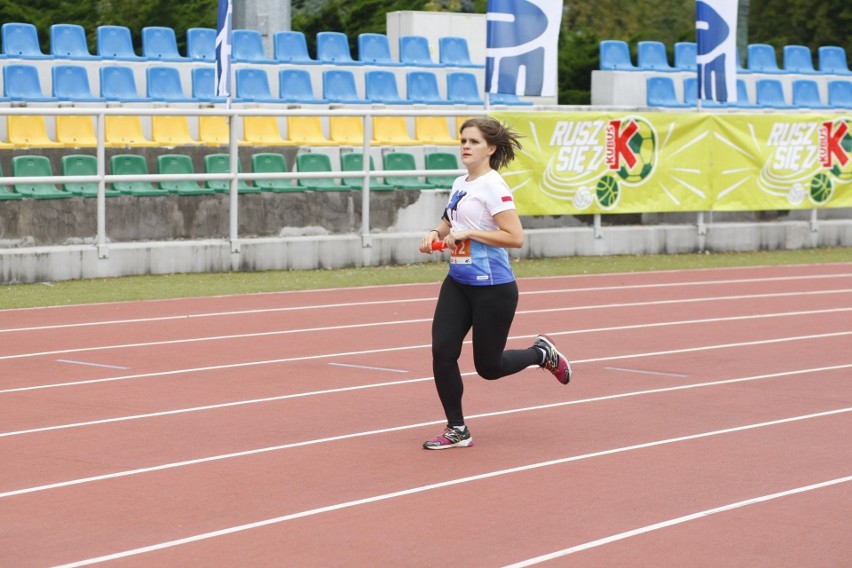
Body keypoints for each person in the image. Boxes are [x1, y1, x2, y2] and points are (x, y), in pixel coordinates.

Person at [418, 117, 572, 450]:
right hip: (458, 282)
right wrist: (435, 234)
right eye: (462, 141)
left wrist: (471, 233)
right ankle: (457, 428)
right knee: (442, 351)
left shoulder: (494, 186)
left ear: (490, 148)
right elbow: (449, 219)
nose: (465, 147)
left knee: (489, 367)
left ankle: (541, 353)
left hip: (493, 289)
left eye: (473, 142)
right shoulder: (461, 182)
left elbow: (515, 237)